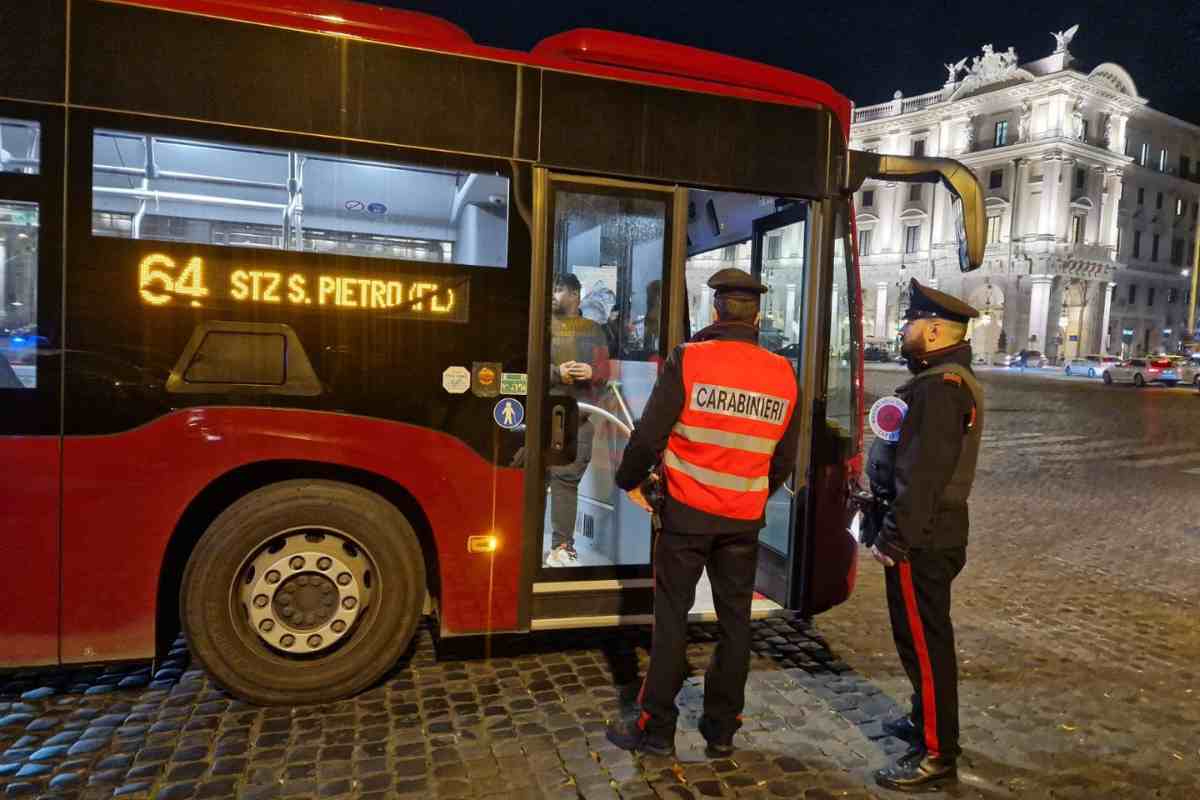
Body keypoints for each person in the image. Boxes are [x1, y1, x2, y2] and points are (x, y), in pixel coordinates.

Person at [605, 268, 802, 757]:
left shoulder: (689, 359)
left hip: (686, 517)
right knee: (736, 624)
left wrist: (629, 480)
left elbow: (649, 435)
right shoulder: (782, 372)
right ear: (756, 316)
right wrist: (753, 490)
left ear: (716, 309)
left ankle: (656, 730)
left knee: (671, 620)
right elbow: (783, 457)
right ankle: (721, 730)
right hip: (742, 522)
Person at [866, 278, 984, 791]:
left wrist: (895, 537)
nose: (904, 329)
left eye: (912, 321)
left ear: (935, 331)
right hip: (929, 531)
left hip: (924, 536)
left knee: (927, 645)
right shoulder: (937, 378)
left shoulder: (941, 387)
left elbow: (925, 474)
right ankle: (923, 724)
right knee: (917, 641)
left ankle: (937, 753)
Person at [545, 273, 610, 567]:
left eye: (559, 290)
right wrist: (558, 372)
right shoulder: (542, 323)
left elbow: (604, 372)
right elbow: (524, 365)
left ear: (575, 294)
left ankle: (561, 545)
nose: (554, 295)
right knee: (531, 478)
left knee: (565, 478)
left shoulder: (593, 330)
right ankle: (525, 540)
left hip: (578, 413)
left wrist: (590, 372)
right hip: (543, 410)